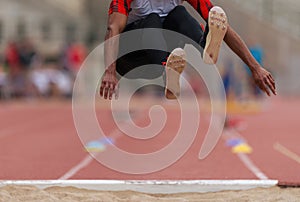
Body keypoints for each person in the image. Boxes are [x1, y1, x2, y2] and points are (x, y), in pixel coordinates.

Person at [100, 0, 276, 100]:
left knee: (179, 13)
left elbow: (224, 28)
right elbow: (113, 29)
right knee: (152, 19)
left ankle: (204, 47)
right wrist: (110, 71)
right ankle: (166, 68)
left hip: (161, 53)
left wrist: (255, 67)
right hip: (130, 58)